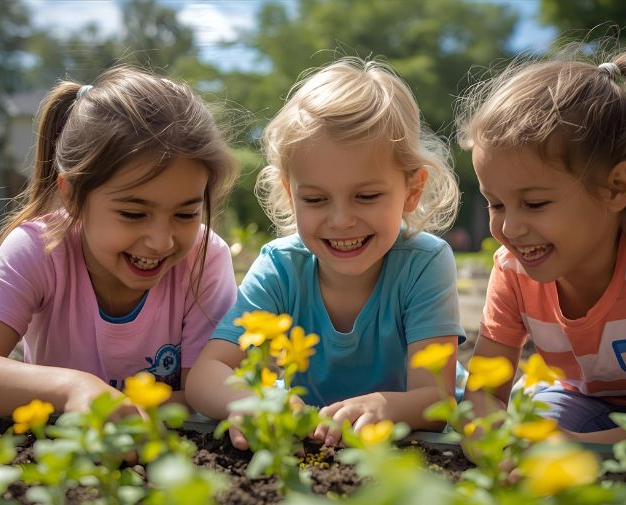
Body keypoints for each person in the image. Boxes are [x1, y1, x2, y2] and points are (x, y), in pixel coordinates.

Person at [457, 46, 626, 450]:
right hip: (587, 400)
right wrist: (490, 437)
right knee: (529, 430)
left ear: (616, 188)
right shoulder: (513, 270)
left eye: (535, 203)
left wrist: (577, 448)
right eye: (496, 204)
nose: (510, 228)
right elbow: (482, 395)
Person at [186, 57, 465, 448]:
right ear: (290, 193)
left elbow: (436, 400)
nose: (341, 220)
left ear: (412, 190)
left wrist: (384, 406)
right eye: (315, 199)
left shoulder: (424, 263)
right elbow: (205, 374)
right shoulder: (281, 266)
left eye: (366, 196)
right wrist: (251, 403)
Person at [0, 66, 239, 417]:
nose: (160, 241)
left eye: (185, 214)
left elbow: (205, 393)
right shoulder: (39, 250)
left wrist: (110, 406)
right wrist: (73, 389)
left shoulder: (205, 260)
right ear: (73, 196)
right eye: (133, 214)